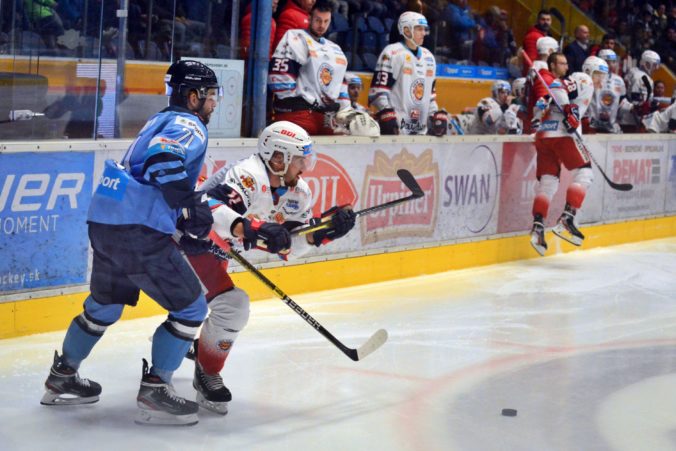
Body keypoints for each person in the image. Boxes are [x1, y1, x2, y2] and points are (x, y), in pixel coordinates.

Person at [40, 60, 221, 427]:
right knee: (191, 309)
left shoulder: (159, 119)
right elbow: (162, 161)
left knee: (104, 305)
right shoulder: (189, 124)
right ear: (193, 96)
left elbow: (153, 171)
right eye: (211, 95)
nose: (214, 104)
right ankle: (156, 389)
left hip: (106, 222)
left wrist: (182, 212)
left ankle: (63, 376)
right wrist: (190, 204)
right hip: (137, 231)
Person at [179, 121, 357, 414]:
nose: (305, 166)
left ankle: (198, 354)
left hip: (217, 251)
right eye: (300, 159)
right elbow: (207, 211)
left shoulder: (298, 192)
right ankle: (196, 366)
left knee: (222, 307)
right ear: (278, 158)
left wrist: (323, 231)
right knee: (228, 306)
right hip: (189, 242)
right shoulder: (248, 176)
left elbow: (288, 246)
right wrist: (256, 230)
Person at [529, 53, 595, 256]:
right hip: (560, 134)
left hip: (544, 135)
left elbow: (541, 104)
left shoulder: (565, 84)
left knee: (548, 182)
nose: (601, 78)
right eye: (601, 73)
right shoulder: (583, 79)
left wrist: (537, 119)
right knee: (585, 173)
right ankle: (568, 217)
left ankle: (538, 227)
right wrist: (570, 111)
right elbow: (559, 86)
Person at [268, 2, 352, 135]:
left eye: (326, 21)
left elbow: (340, 87)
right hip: (297, 115)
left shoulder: (336, 50)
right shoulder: (295, 37)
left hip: (325, 118)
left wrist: (345, 111)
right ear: (310, 17)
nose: (322, 25)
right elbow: (279, 80)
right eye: (318, 20)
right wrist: (298, 103)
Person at [369, 11, 448, 136]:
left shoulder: (429, 57)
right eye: (419, 29)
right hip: (396, 132)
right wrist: (387, 115)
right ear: (406, 30)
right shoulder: (392, 52)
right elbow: (378, 92)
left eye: (424, 29)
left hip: (421, 133)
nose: (424, 33)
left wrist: (434, 117)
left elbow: (430, 96)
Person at [619, 49, 661, 132]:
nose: (656, 68)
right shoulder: (643, 78)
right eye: (654, 65)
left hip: (624, 116)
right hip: (631, 120)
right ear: (647, 64)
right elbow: (638, 104)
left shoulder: (634, 71)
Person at [524, 36, 559, 133]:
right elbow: (542, 103)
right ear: (551, 51)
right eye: (557, 51)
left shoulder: (535, 70)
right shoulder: (542, 74)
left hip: (531, 124)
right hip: (538, 131)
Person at [588, 50, 628, 133]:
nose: (610, 64)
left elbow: (622, 102)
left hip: (611, 125)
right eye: (607, 62)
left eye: (613, 62)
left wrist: (632, 107)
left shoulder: (619, 80)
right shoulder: (590, 78)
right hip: (592, 124)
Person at [522, 9, 552, 75]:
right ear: (538, 21)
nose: (546, 22)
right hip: (536, 75)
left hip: (543, 73)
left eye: (548, 20)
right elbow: (530, 61)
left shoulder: (547, 36)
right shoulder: (532, 36)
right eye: (543, 19)